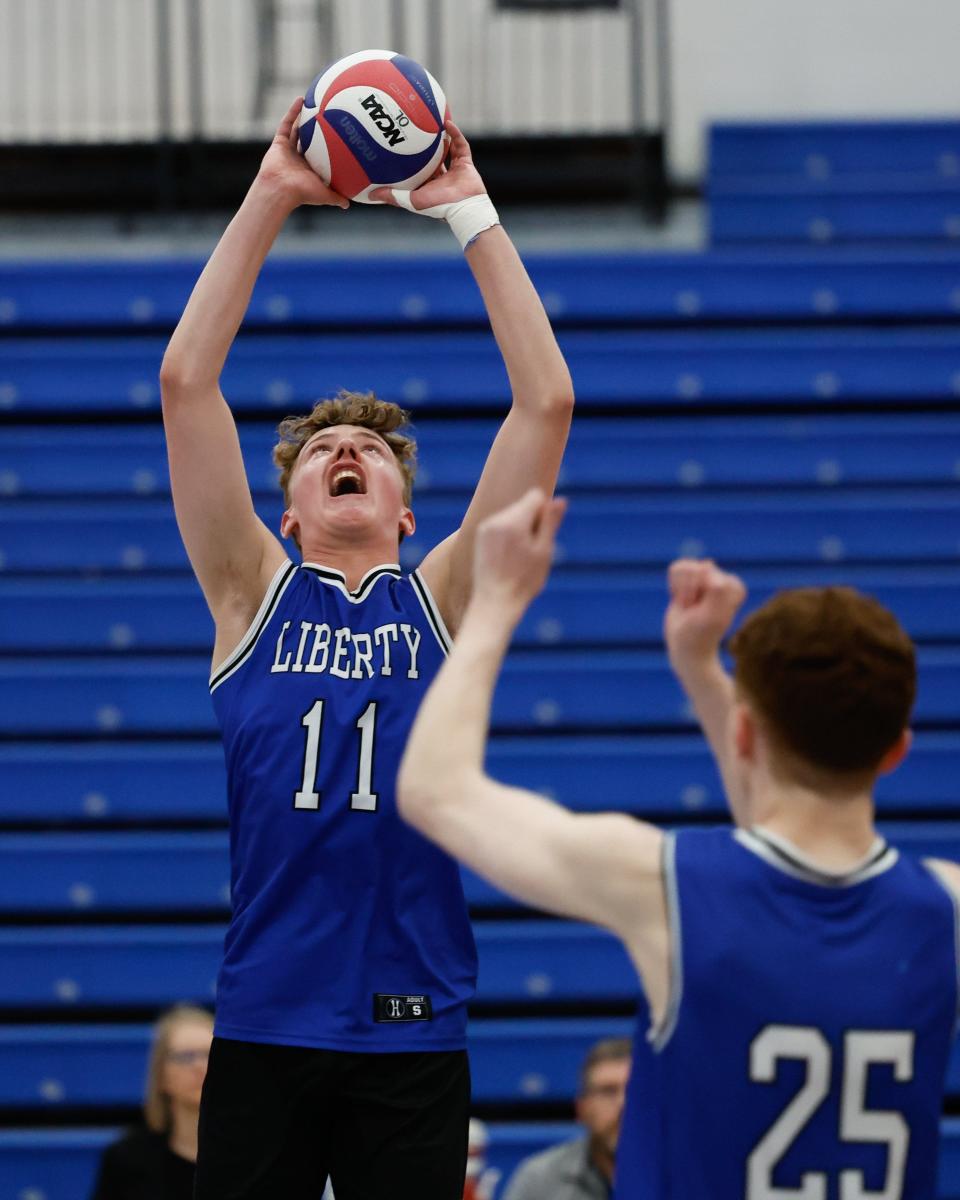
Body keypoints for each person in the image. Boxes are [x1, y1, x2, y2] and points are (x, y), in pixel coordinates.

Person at [159, 97, 573, 1199]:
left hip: (413, 1023)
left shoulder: (439, 597)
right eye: (322, 451)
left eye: (370, 452)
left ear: (404, 512)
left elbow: (547, 401)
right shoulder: (252, 593)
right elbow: (185, 385)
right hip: (269, 1015)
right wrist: (273, 191)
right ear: (287, 511)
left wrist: (469, 210)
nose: (346, 452)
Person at [397, 491, 960, 1199]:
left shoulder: (669, 885)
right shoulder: (945, 911)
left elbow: (432, 789)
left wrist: (496, 604)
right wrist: (700, 669)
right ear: (898, 750)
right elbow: (784, 828)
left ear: (747, 733)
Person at [89, 1006, 213, 1200]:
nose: (199, 1067)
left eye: (210, 1055)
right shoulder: (126, 1160)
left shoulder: (253, 1156)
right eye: (185, 1057)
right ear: (161, 1075)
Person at [501, 1038, 631, 1200]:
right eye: (607, 1091)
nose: (623, 1103)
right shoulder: (539, 1180)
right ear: (581, 1109)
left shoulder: (672, 1174)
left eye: (634, 1091)